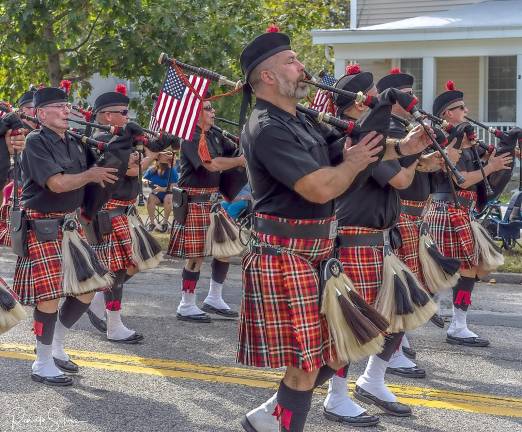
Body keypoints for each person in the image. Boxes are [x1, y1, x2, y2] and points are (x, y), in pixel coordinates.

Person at [238, 29, 385, 432]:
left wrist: (403, 145)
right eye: (291, 61)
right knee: (304, 367)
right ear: (267, 77)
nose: (302, 68)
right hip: (285, 255)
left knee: (336, 350)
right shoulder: (267, 127)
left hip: (318, 253)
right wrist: (353, 164)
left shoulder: (299, 118)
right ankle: (280, 421)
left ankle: (270, 415)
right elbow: (319, 185)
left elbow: (341, 150)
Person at [13, 87, 119, 386]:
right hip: (42, 227)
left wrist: (127, 146)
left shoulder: (74, 141)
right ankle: (41, 361)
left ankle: (55, 344)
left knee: (87, 288)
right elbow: (56, 184)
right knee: (49, 298)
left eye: (66, 105)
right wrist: (90, 175)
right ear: (41, 113)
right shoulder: (35, 142)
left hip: (69, 227)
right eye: (58, 107)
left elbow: (102, 163)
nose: (65, 110)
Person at [425, 81, 512, 347]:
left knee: (470, 269)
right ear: (447, 114)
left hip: (464, 211)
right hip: (445, 210)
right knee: (441, 268)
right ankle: (430, 311)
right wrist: (491, 165)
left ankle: (457, 324)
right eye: (460, 107)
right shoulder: (444, 142)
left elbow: (484, 179)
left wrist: (505, 154)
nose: (466, 110)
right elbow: (461, 179)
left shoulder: (469, 143)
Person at [86, 85, 161, 343]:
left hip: (125, 211)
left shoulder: (120, 139)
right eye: (124, 112)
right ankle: (114, 325)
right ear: (108, 116)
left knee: (137, 261)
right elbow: (132, 170)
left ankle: (97, 301)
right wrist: (152, 155)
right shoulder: (105, 140)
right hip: (111, 211)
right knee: (116, 269)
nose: (128, 116)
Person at [167, 96, 245, 322]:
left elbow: (235, 150)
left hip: (213, 202)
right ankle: (186, 304)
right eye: (207, 109)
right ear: (195, 114)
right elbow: (211, 163)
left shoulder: (214, 134)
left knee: (226, 249)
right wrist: (240, 161)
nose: (213, 112)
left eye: (212, 108)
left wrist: (247, 141)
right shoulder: (190, 137)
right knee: (196, 256)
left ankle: (214, 297)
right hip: (194, 202)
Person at [144, 153, 178, 232]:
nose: (158, 162)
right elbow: (143, 179)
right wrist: (146, 181)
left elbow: (174, 187)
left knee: (168, 197)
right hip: (156, 197)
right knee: (150, 197)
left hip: (168, 196)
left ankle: (165, 223)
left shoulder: (171, 170)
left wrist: (162, 189)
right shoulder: (152, 170)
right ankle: (152, 223)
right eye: (157, 160)